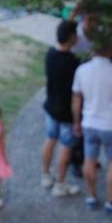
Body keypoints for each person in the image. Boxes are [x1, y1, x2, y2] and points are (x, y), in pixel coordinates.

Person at [72, 36, 112, 214]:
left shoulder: (82, 70)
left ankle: (91, 197)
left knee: (89, 160)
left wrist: (77, 122)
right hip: (111, 125)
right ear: (110, 50)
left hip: (89, 122)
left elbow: (76, 99)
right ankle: (111, 202)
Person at [41, 20, 82, 197]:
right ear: (72, 37)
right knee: (65, 146)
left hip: (51, 108)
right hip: (66, 113)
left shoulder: (50, 54)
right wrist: (77, 121)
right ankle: (60, 184)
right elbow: (75, 96)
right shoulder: (74, 63)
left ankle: (45, 175)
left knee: (50, 140)